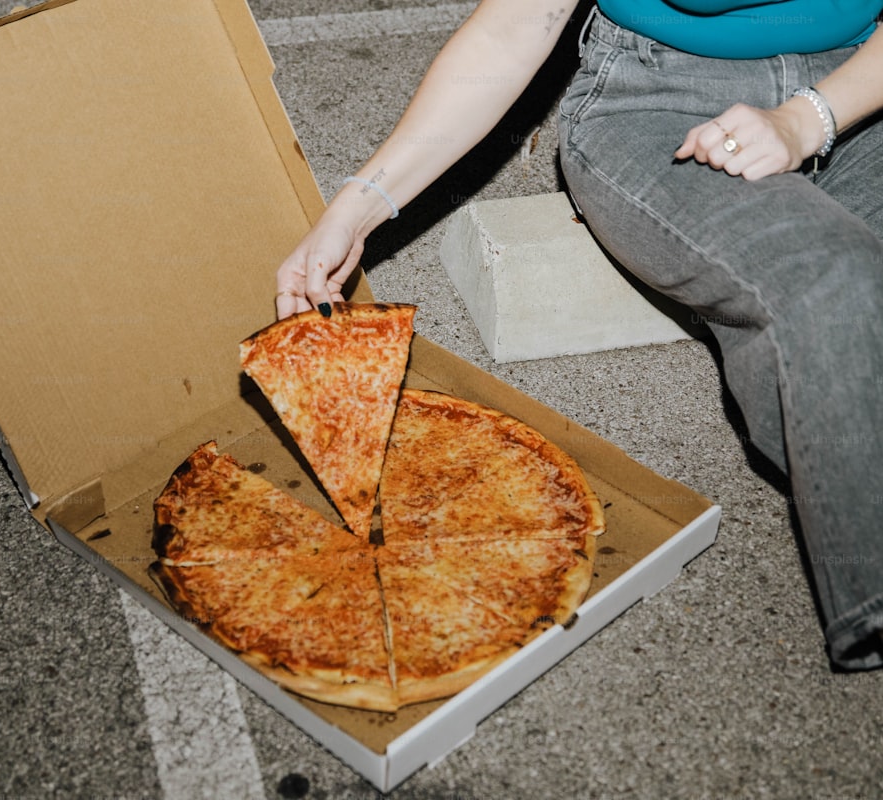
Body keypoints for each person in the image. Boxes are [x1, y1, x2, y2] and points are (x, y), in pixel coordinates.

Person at [274, 0, 883, 671]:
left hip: (861, 81)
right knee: (834, 283)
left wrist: (808, 118)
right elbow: (514, 27)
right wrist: (355, 213)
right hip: (662, 103)